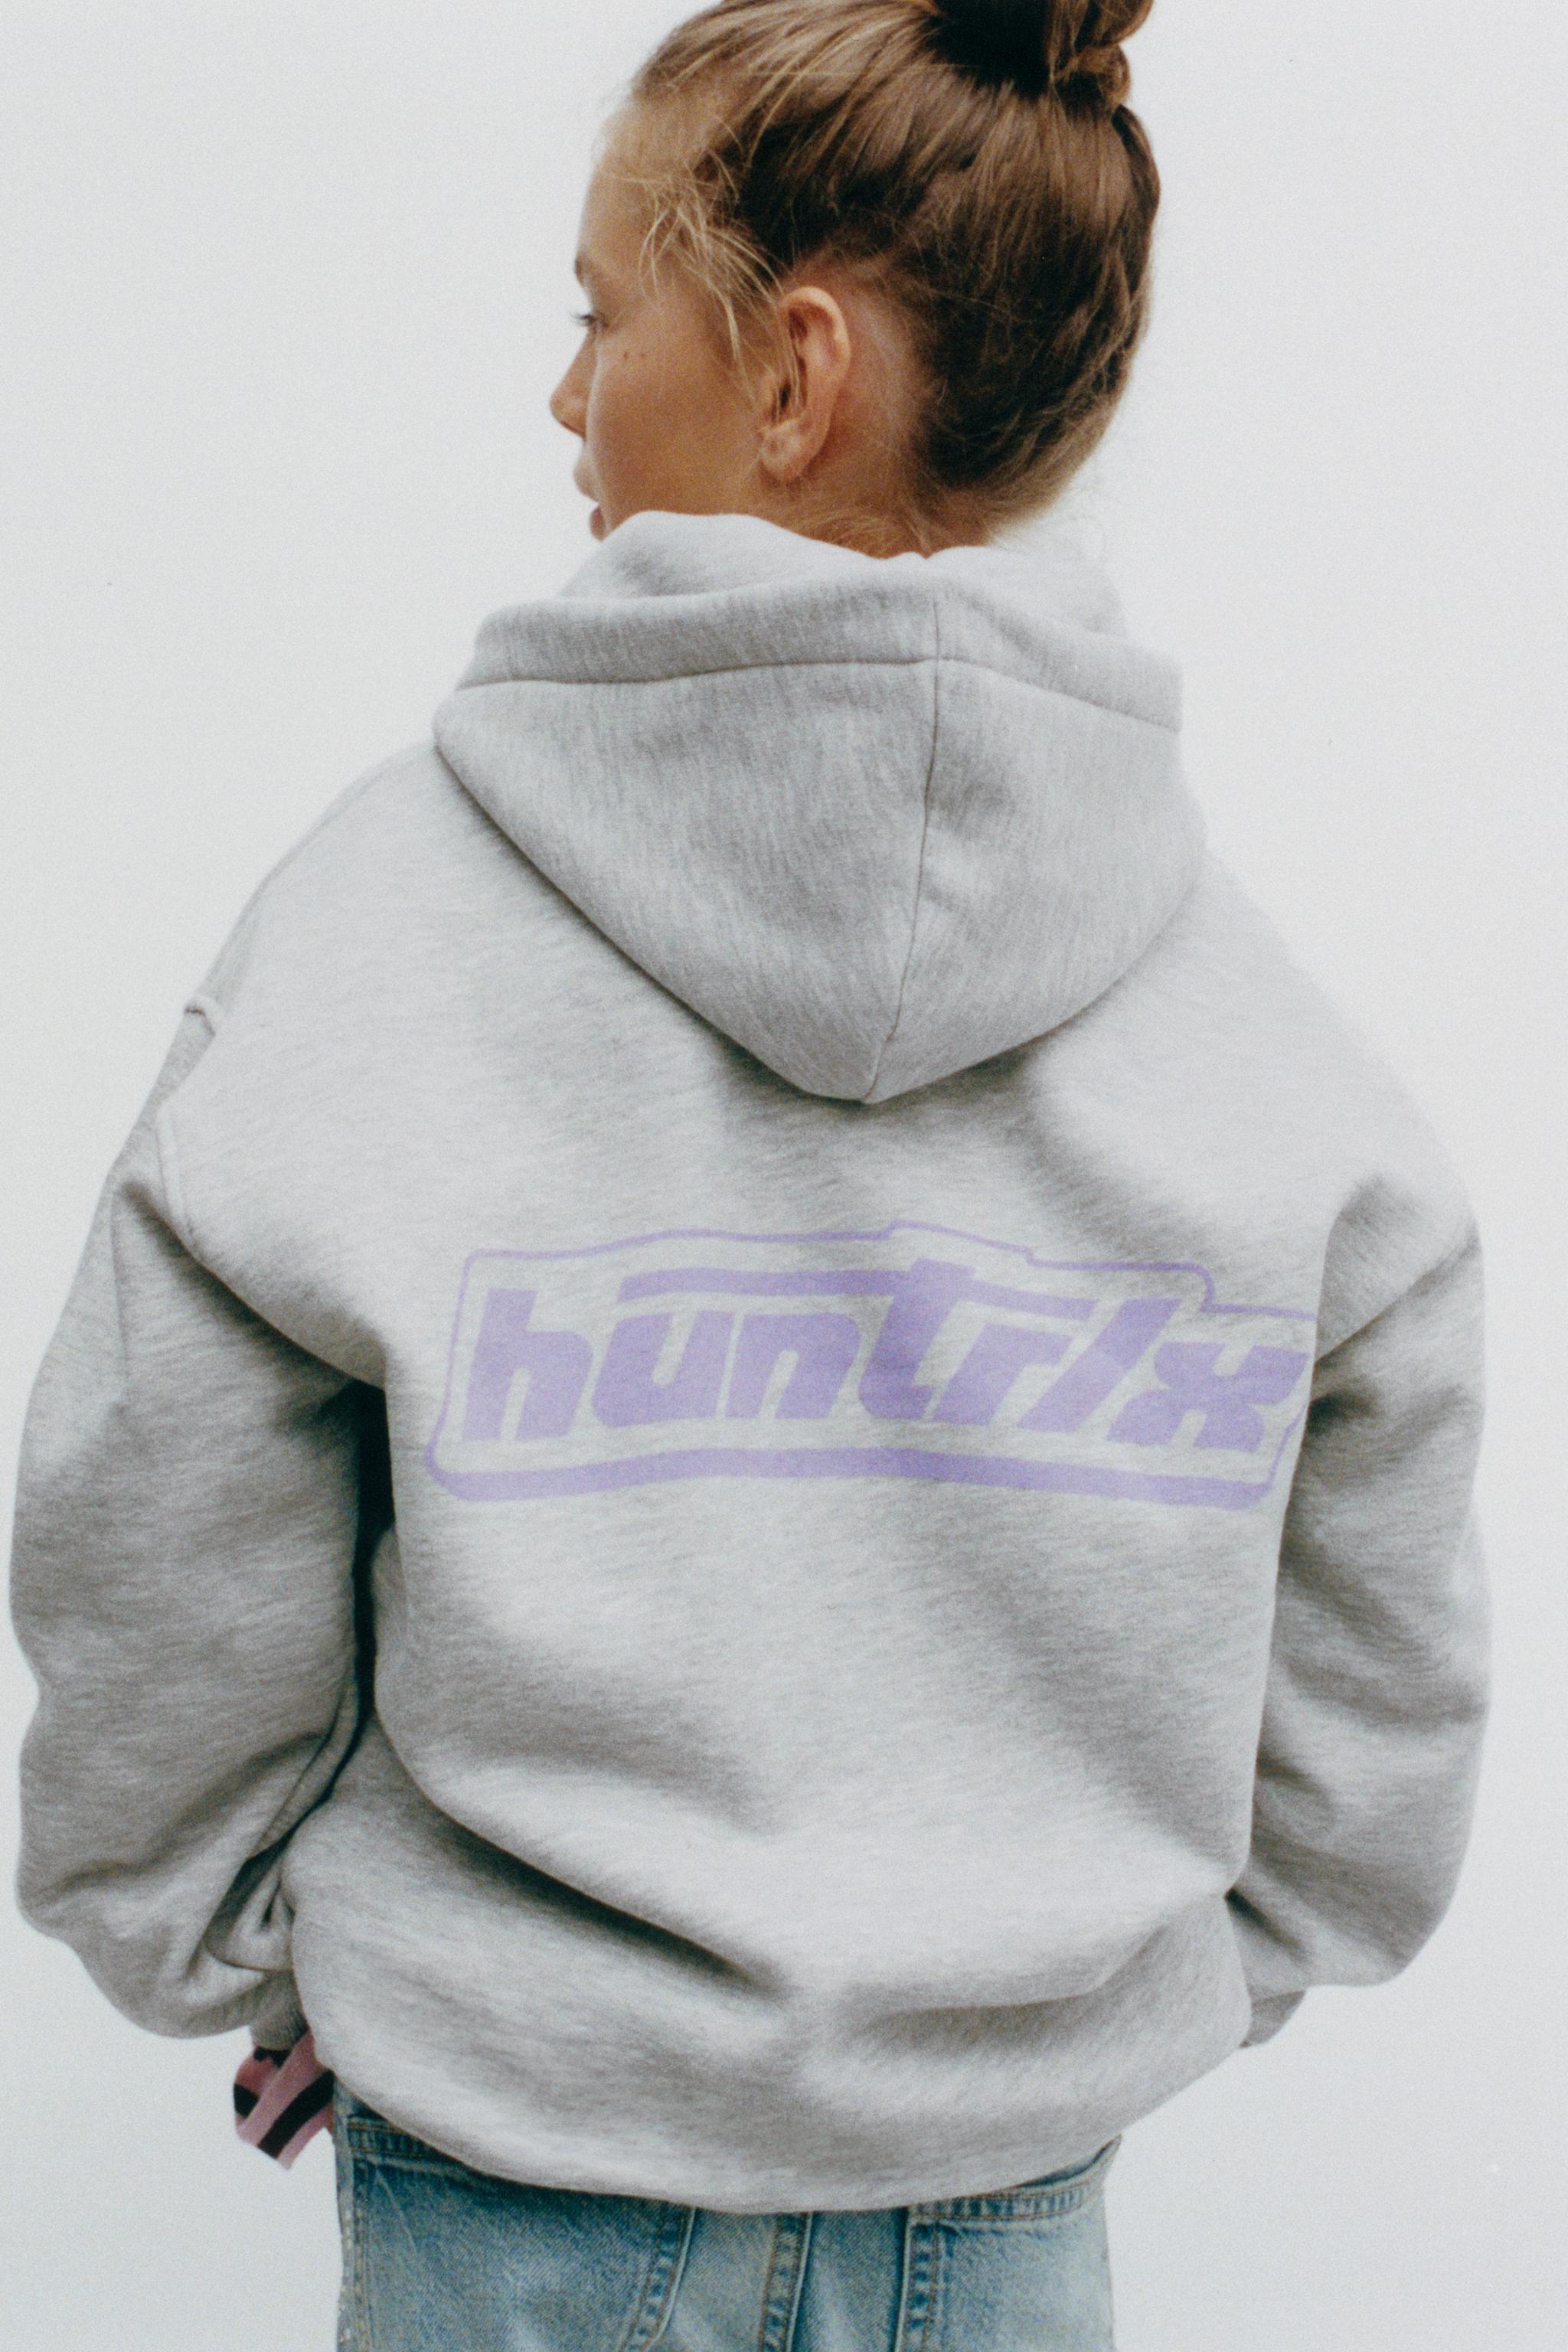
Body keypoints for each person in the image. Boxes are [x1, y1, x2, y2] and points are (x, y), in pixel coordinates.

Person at [9, 2, 1489, 2346]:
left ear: (792, 377)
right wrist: (1095, 2007)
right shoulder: (1264, 1057)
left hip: (514, 2197)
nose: (565, 396)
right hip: (1010, 2228)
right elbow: (1375, 1719)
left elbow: (149, 1557)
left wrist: (286, 1964)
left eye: (602, 316)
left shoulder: (376, 942)